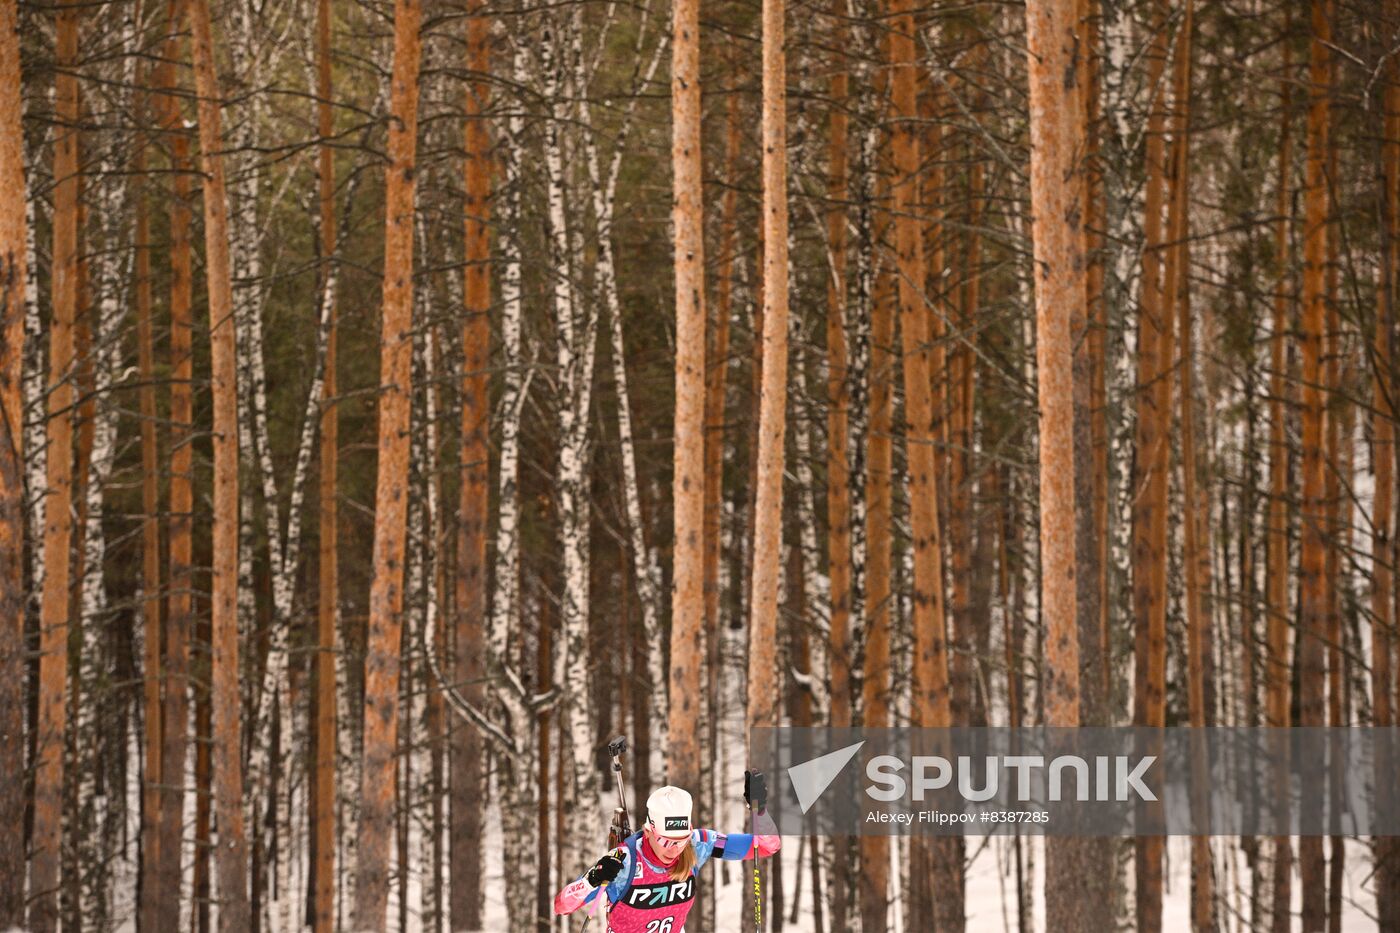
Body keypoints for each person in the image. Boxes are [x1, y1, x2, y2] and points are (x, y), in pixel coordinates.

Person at [553, 774, 781, 932]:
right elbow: (562, 906)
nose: (674, 849)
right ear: (649, 830)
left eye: (681, 840)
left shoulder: (697, 844)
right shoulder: (624, 861)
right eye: (665, 840)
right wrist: (592, 879)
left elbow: (767, 845)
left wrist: (760, 811)